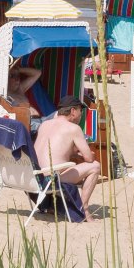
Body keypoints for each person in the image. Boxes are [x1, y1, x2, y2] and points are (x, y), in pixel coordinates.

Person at [32, 94, 101, 222]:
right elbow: (89, 159)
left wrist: (72, 153)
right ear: (73, 112)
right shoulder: (74, 129)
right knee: (95, 166)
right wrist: (86, 154)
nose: (81, 115)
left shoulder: (44, 124)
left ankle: (53, 207)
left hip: (35, 178)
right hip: (50, 180)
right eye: (80, 111)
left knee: (64, 166)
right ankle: (84, 208)